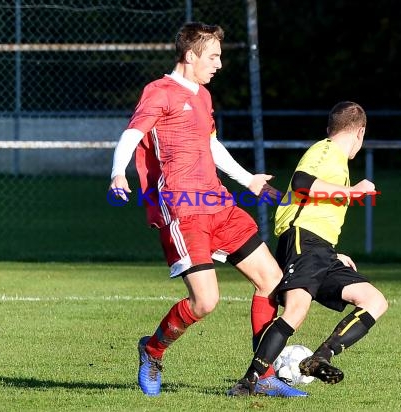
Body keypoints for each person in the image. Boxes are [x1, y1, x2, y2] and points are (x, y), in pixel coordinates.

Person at [108, 22, 306, 398]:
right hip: (184, 210)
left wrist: (247, 179)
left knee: (271, 280)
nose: (218, 64)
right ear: (190, 55)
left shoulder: (202, 95)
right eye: (213, 56)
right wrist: (118, 171)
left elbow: (211, 145)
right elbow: (132, 135)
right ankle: (152, 351)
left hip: (219, 204)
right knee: (205, 301)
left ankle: (260, 377)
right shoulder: (159, 92)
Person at [227, 101, 388, 396]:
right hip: (305, 240)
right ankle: (250, 380)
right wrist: (351, 193)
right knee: (296, 309)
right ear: (360, 132)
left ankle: (321, 357)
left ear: (330, 127)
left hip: (320, 247)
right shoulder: (326, 150)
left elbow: (308, 204)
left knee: (374, 301)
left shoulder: (336, 159)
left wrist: (332, 251)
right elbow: (302, 183)